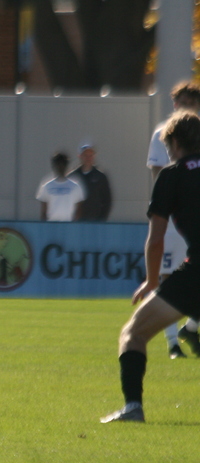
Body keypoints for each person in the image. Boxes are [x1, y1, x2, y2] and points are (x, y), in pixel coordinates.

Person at [101, 110, 200, 423]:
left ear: (175, 142)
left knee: (133, 333)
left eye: (168, 143)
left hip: (196, 274)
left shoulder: (171, 175)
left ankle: (133, 408)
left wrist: (151, 281)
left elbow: (156, 240)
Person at [146, 81, 200, 359]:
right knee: (168, 274)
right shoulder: (162, 134)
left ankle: (190, 327)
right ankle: (172, 343)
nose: (188, 106)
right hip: (174, 217)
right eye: (184, 101)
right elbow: (160, 174)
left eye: (193, 101)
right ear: (175, 104)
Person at [36, 152, 85, 222]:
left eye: (63, 164)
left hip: (69, 225)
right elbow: (44, 211)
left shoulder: (75, 187)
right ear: (54, 166)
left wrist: (74, 225)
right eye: (58, 164)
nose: (60, 167)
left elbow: (79, 210)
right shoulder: (47, 186)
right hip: (51, 225)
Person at [68, 143, 112, 221]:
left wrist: (102, 218)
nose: (88, 158)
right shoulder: (72, 176)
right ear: (80, 156)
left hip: (95, 220)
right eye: (86, 155)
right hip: (76, 221)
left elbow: (107, 200)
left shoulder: (100, 176)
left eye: (91, 155)